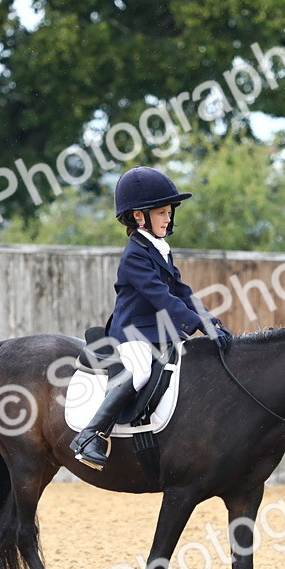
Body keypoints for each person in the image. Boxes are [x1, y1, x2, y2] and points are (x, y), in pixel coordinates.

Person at [70, 166, 233, 470]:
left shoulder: (160, 248)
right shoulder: (135, 254)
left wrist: (211, 321)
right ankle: (90, 436)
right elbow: (161, 297)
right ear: (139, 216)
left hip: (159, 332)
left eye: (169, 212)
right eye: (161, 212)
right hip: (133, 333)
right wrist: (197, 324)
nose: (168, 218)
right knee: (139, 372)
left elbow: (181, 291)